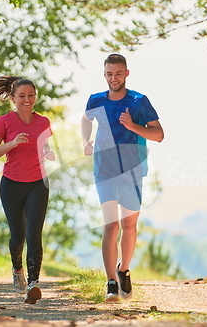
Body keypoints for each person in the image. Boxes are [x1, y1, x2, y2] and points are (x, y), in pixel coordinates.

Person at [81, 54, 164, 302]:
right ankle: (111, 283)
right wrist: (86, 141)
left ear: (126, 73)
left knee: (128, 227)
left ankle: (124, 269)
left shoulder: (139, 101)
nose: (113, 78)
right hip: (104, 171)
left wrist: (132, 126)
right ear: (104, 74)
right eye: (109, 73)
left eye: (118, 73)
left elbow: (159, 135)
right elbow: (86, 120)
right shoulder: (96, 100)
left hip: (133, 172)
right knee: (110, 226)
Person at [0, 76, 55, 304]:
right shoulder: (4, 121)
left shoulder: (43, 122)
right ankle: (17, 269)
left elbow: (44, 145)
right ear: (13, 98)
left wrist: (48, 153)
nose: (27, 100)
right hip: (11, 184)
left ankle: (34, 283)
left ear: (36, 97)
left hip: (38, 184)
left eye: (31, 95)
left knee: (34, 234)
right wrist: (12, 143)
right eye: (22, 96)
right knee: (18, 237)